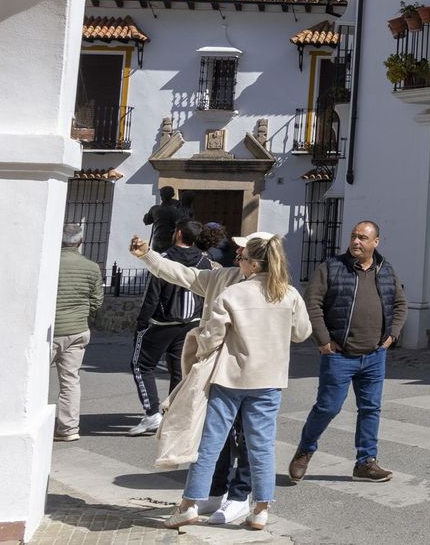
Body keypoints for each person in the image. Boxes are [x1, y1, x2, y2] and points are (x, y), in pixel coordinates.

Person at [134, 231, 311, 531]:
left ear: (253, 264)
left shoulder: (232, 294)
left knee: (210, 444)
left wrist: (198, 345)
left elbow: (212, 337)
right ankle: (261, 510)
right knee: (262, 446)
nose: (237, 259)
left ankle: (189, 505)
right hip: (269, 380)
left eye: (242, 256)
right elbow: (301, 333)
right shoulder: (288, 293)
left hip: (230, 378)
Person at [289, 221, 407, 485]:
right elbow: (312, 303)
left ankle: (366, 462)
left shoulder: (385, 270)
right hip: (339, 355)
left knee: (370, 408)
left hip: (374, 355)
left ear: (375, 242)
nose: (356, 241)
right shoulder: (331, 267)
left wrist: (392, 335)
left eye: (363, 238)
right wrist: (323, 340)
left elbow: (400, 303)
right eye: (354, 236)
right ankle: (305, 451)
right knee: (327, 407)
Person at [129, 219, 212, 436]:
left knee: (141, 365)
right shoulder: (205, 261)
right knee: (179, 369)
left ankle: (152, 414)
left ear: (178, 234)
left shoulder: (164, 259)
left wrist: (142, 322)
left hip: (161, 323)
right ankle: (173, 413)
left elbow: (152, 294)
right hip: (190, 322)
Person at [51, 223, 102, 442]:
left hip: (51, 330)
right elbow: (97, 301)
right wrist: (82, 314)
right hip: (78, 329)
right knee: (70, 380)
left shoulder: (50, 263)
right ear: (80, 242)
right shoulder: (92, 267)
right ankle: (69, 428)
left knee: (35, 378)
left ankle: (30, 421)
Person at [143, 187, 187, 252]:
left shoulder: (155, 209)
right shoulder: (175, 211)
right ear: (173, 195)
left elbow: (146, 221)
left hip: (157, 242)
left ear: (161, 195)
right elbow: (184, 224)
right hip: (169, 243)